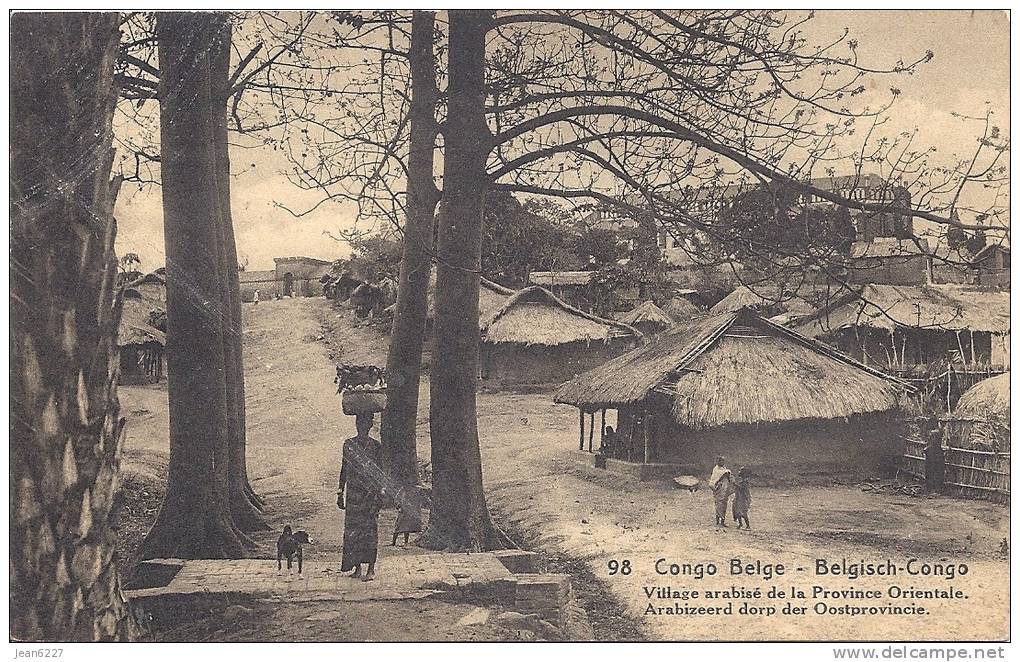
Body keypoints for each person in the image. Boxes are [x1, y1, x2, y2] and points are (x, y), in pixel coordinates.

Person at [337, 414, 385, 581]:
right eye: (360, 423)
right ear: (356, 424)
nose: (362, 426)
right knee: (353, 531)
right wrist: (340, 491)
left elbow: (380, 472)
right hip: (354, 494)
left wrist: (380, 492)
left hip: (370, 494)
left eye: (365, 423)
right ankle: (357, 567)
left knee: (370, 531)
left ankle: (371, 569)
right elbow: (344, 468)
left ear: (370, 425)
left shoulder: (376, 446)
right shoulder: (349, 445)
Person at [707, 456, 734, 527]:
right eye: (720, 461)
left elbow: (730, 478)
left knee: (724, 504)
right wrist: (716, 486)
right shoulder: (716, 469)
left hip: (725, 489)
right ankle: (717, 522)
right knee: (719, 505)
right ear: (717, 461)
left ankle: (722, 521)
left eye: (723, 461)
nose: (722, 462)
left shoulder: (725, 469)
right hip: (719, 489)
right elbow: (713, 480)